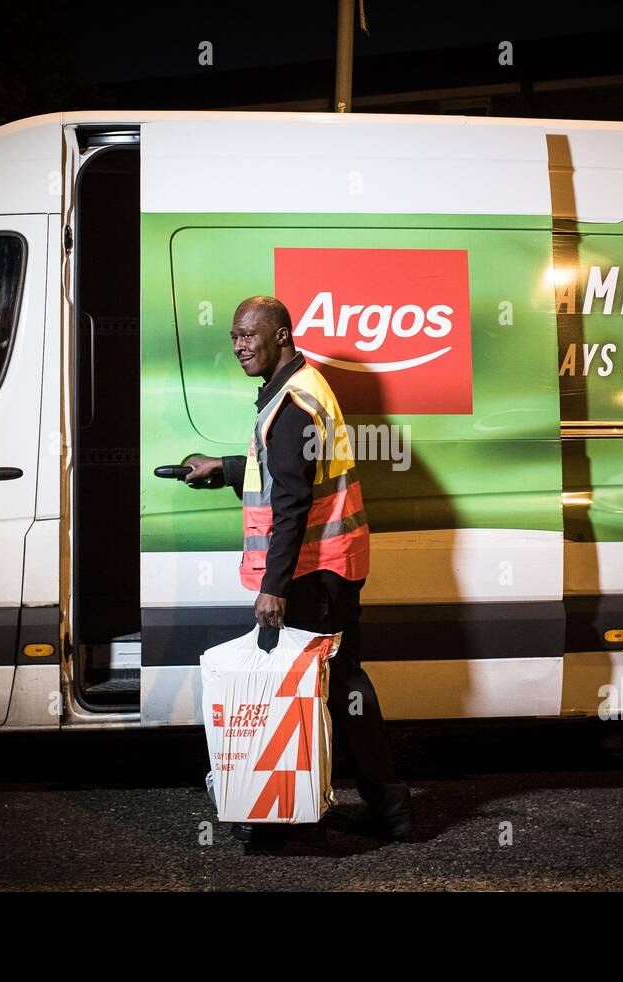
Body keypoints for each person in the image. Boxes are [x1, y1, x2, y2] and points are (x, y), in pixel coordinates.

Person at [183, 295, 413, 844]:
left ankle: (277, 817)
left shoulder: (292, 404)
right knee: (341, 685)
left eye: (249, 335)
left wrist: (273, 588)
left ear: (281, 335)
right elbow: (287, 471)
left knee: (294, 687)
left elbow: (290, 502)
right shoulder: (303, 386)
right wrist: (227, 468)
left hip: (311, 574)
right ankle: (387, 808)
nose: (239, 346)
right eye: (234, 336)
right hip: (333, 565)